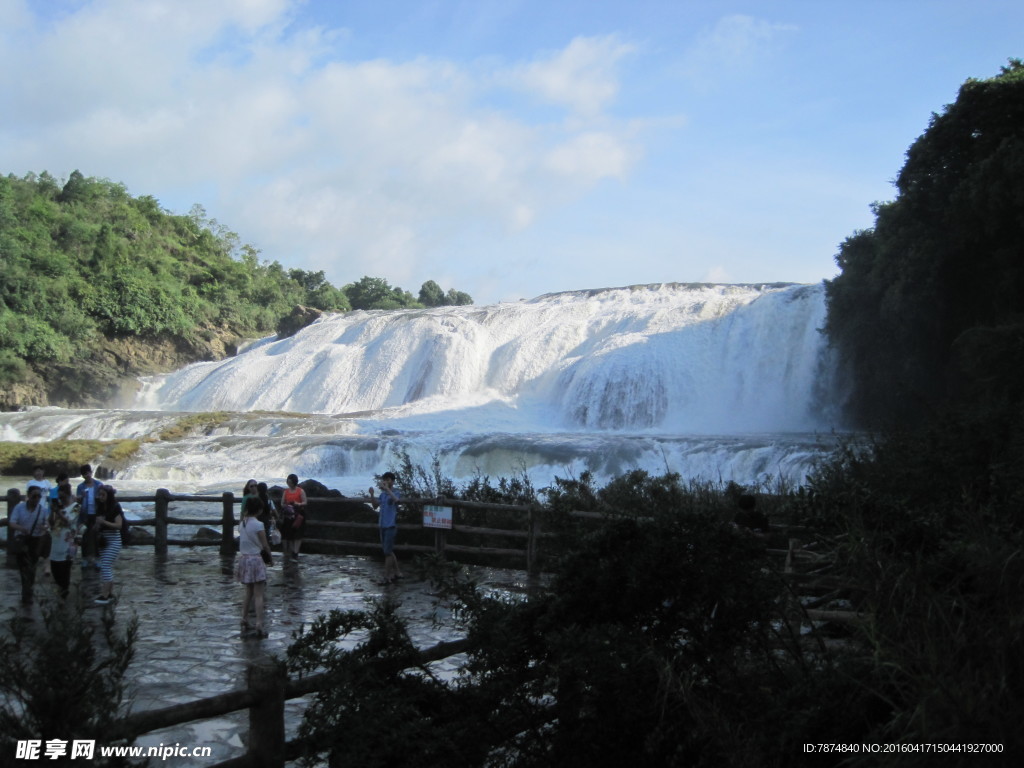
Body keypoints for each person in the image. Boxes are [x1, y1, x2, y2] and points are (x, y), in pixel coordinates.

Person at [236, 495, 270, 638]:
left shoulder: (242, 524)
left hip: (244, 559)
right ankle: (259, 623)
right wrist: (270, 558)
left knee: (248, 592)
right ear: (259, 510)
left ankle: (244, 618)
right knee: (259, 594)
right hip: (255, 559)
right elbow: (265, 545)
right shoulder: (258, 525)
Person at [9, 485, 48, 604]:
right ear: (28, 496)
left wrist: (44, 527)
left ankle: (28, 591)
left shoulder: (42, 510)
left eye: (39, 496)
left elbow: (46, 524)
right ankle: (26, 591)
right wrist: (21, 528)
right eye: (34, 496)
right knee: (23, 567)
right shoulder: (19, 507)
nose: (36, 499)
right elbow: (12, 523)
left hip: (35, 540)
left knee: (32, 567)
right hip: (22, 539)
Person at [48, 484, 81, 599]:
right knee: (54, 567)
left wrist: (58, 512)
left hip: (68, 542)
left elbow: (69, 521)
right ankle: (60, 589)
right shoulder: (58, 507)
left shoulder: (76, 506)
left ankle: (64, 592)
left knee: (65, 569)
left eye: (62, 497)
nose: (61, 499)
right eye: (59, 497)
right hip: (55, 540)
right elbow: (51, 523)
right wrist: (52, 511)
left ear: (68, 494)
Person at [369, 472, 402, 584]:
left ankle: (387, 577)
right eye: (384, 480)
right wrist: (372, 495)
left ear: (392, 481)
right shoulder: (382, 495)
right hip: (382, 525)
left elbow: (397, 500)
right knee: (388, 551)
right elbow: (375, 506)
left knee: (387, 552)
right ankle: (397, 572)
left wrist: (387, 489)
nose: (385, 482)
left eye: (388, 480)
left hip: (390, 525)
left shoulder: (396, 492)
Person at [93, 484, 123, 605]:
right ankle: (110, 593)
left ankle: (104, 594)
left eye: (103, 495)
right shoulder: (100, 507)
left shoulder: (115, 507)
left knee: (105, 565)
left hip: (114, 540)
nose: (100, 497)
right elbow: (98, 524)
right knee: (105, 566)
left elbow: (119, 525)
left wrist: (104, 522)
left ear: (109, 496)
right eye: (99, 495)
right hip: (103, 541)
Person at [76, 464, 102, 572]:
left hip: (96, 514)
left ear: (91, 473)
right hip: (85, 514)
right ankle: (85, 559)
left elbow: (103, 499)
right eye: (84, 474)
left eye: (87, 473)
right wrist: (81, 497)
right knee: (85, 537)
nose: (86, 475)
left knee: (96, 537)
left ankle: (97, 559)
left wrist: (98, 498)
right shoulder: (80, 487)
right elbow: (78, 502)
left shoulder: (98, 484)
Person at [279, 474, 308, 560]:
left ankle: (295, 552)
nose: (289, 484)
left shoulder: (300, 491)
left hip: (298, 514)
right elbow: (282, 503)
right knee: (290, 534)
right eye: (288, 482)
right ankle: (292, 552)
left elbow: (305, 502)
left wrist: (298, 504)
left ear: (294, 482)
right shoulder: (286, 491)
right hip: (289, 515)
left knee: (298, 534)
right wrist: (286, 505)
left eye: (290, 482)